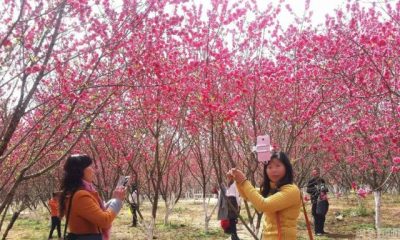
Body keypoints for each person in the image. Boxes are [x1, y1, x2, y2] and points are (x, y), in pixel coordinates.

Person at [228, 151, 301, 240]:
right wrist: (238, 181)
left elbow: (264, 205)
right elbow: (247, 196)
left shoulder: (292, 190)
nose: (274, 170)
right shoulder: (271, 189)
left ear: (287, 168)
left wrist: (244, 181)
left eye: (278, 166)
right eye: (269, 167)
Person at [59, 154, 126, 240]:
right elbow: (104, 220)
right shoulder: (80, 196)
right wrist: (117, 201)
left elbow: (94, 212)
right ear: (80, 171)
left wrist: (113, 199)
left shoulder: (76, 192)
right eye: (90, 166)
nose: (93, 170)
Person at [306, 167, 329, 236]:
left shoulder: (322, 180)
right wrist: (317, 190)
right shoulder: (311, 181)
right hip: (315, 200)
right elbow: (308, 190)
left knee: (322, 215)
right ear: (312, 173)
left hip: (323, 200)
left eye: (317, 173)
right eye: (314, 173)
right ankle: (317, 231)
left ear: (319, 173)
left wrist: (324, 191)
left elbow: (325, 189)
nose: (315, 174)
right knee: (316, 215)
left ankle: (321, 230)